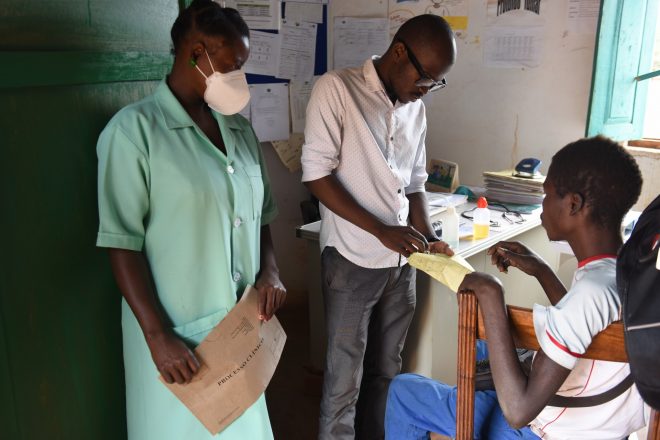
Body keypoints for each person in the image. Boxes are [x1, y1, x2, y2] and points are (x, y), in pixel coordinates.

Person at [95, 1, 285, 439]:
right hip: (179, 338)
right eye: (232, 64)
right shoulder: (133, 134)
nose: (239, 76)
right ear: (196, 53)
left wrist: (270, 269)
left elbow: (262, 216)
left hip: (240, 329)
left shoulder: (239, 131)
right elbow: (121, 244)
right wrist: (158, 334)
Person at [385, 136, 647, 439]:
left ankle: (457, 416)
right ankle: (459, 411)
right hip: (595, 419)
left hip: (548, 428)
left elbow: (518, 412)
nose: (542, 206)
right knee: (484, 347)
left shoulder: (590, 293)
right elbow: (590, 327)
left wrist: (490, 293)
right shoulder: (621, 270)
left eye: (547, 195)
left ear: (573, 204)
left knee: (405, 392)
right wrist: (542, 271)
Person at [301, 14, 457, 440]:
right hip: (351, 260)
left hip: (401, 264)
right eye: (425, 77)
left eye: (435, 83)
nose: (426, 90)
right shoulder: (337, 89)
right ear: (399, 51)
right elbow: (316, 175)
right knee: (343, 380)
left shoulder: (415, 109)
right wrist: (380, 230)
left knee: (387, 371)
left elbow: (416, 182)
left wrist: (428, 235)